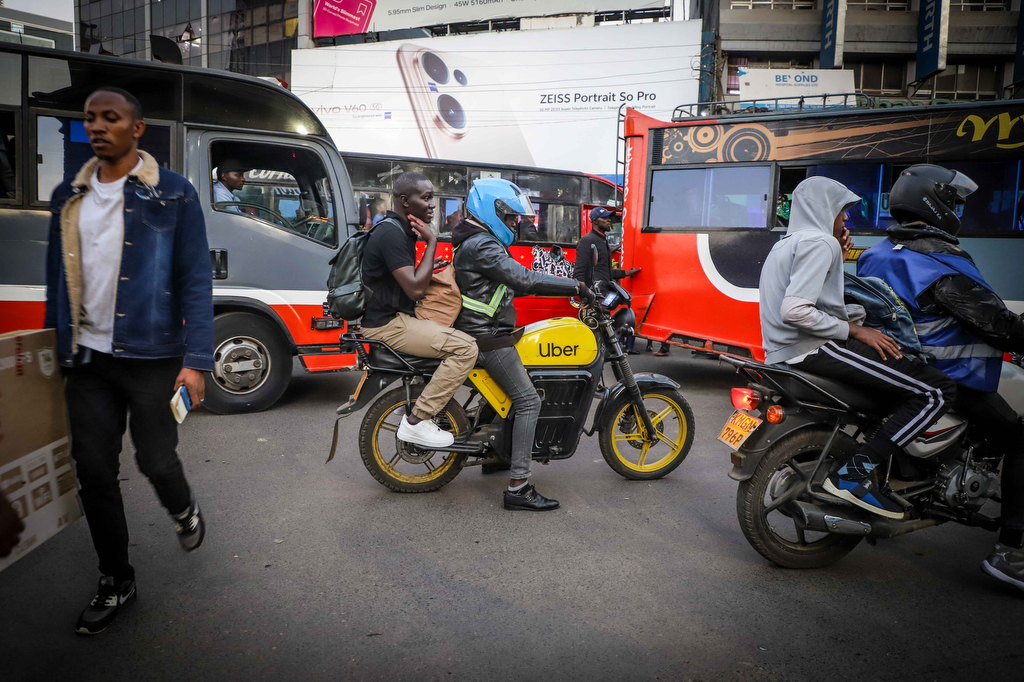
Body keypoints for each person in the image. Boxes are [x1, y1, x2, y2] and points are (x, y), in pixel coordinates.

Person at [44, 87, 213, 635]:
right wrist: (54, 352)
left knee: (157, 460)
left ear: (136, 129)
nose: (97, 126)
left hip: (151, 357)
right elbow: (57, 281)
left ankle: (184, 509)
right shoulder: (67, 198)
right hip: (87, 360)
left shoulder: (174, 194)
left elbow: (195, 279)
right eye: (90, 118)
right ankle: (116, 579)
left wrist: (197, 360)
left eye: (110, 118)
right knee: (94, 472)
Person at [857, 164, 1024, 591]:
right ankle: (1012, 552)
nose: (961, 211)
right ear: (937, 205)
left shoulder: (880, 251)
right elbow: (993, 321)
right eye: (957, 203)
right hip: (948, 374)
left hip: (894, 368)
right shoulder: (938, 261)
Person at [758, 176, 956, 520]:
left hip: (782, 351)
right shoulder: (820, 243)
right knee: (937, 391)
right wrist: (856, 331)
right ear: (825, 208)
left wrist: (839, 254)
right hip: (814, 348)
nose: (846, 219)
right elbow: (796, 309)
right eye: (843, 210)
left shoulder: (788, 242)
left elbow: (821, 298)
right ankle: (851, 476)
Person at [452, 179, 584, 511]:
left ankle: (496, 455)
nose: (515, 224)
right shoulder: (483, 245)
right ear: (492, 211)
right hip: (487, 338)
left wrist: (560, 285)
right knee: (528, 402)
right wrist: (576, 287)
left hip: (487, 331)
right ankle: (518, 487)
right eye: (511, 218)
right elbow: (524, 278)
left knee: (518, 386)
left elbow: (513, 285)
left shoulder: (476, 240)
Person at [360, 171, 478, 448]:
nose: (432, 205)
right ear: (405, 200)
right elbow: (414, 288)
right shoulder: (391, 233)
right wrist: (432, 242)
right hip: (386, 324)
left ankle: (411, 406)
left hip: (395, 317)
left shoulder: (400, 230)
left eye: (432, 198)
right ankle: (417, 421)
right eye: (426, 198)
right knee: (466, 348)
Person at [574, 207, 640, 296]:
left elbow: (605, 271)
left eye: (609, 218)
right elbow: (579, 273)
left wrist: (628, 273)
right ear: (595, 221)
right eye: (604, 218)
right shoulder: (587, 240)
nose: (609, 220)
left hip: (604, 292)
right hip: (595, 294)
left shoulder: (602, 240)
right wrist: (586, 295)